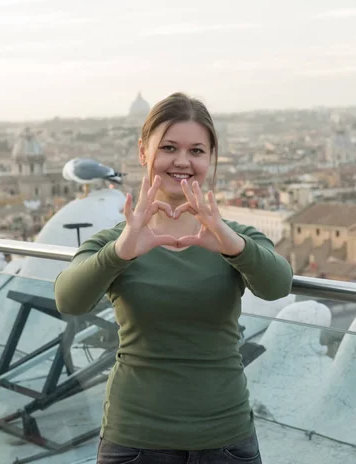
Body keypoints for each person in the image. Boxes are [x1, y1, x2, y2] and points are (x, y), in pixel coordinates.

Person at [54, 92, 293, 464]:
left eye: (197, 151)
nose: (182, 161)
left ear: (211, 158)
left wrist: (230, 244)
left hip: (226, 438)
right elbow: (69, 300)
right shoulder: (116, 241)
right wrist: (120, 252)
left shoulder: (235, 237)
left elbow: (277, 285)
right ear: (143, 152)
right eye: (169, 147)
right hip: (134, 439)